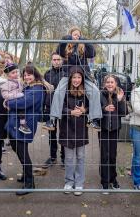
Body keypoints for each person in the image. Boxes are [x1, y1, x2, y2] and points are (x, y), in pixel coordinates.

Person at [43, 27, 102, 131]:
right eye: (74, 34)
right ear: (70, 35)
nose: (76, 36)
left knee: (95, 91)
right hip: (68, 75)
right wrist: (69, 39)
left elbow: (93, 53)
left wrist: (83, 40)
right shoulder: (66, 47)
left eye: (78, 35)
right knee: (58, 92)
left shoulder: (83, 48)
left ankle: (93, 120)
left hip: (83, 75)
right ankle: (52, 121)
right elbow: (59, 49)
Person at [4, 65, 47, 196]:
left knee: (23, 153)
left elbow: (24, 102)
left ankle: (29, 183)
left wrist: (7, 103)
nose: (27, 77)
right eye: (25, 75)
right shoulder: (28, 87)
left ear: (35, 75)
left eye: (29, 75)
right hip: (15, 123)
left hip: (25, 125)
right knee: (17, 149)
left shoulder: (38, 89)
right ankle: (25, 175)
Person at [59, 66, 89, 196]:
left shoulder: (87, 92)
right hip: (67, 128)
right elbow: (59, 108)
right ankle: (69, 182)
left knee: (81, 157)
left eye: (79, 77)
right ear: (70, 79)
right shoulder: (63, 91)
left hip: (81, 129)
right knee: (69, 158)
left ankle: (79, 183)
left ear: (82, 79)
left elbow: (90, 107)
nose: (76, 80)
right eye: (74, 77)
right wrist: (71, 112)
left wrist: (84, 110)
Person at [99, 74, 127, 193]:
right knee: (104, 155)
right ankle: (105, 182)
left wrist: (120, 101)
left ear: (116, 84)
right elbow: (97, 110)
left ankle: (113, 179)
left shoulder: (119, 95)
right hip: (104, 129)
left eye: (112, 82)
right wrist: (104, 109)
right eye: (108, 82)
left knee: (112, 155)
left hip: (115, 129)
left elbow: (123, 113)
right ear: (105, 84)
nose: (110, 84)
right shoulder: (101, 95)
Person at [42, 52, 66, 168]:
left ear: (62, 60)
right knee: (51, 133)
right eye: (54, 59)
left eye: (58, 59)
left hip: (63, 107)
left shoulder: (66, 73)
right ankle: (52, 157)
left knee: (63, 132)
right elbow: (43, 91)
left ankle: (64, 157)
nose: (56, 61)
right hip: (50, 107)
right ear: (51, 61)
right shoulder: (47, 74)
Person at [0, 63, 31, 134]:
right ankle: (22, 125)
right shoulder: (6, 83)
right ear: (8, 74)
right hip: (11, 100)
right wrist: (18, 95)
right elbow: (5, 95)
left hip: (18, 99)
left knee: (21, 110)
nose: (16, 74)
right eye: (13, 73)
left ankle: (17, 127)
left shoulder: (18, 81)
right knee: (20, 110)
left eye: (17, 72)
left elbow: (22, 87)